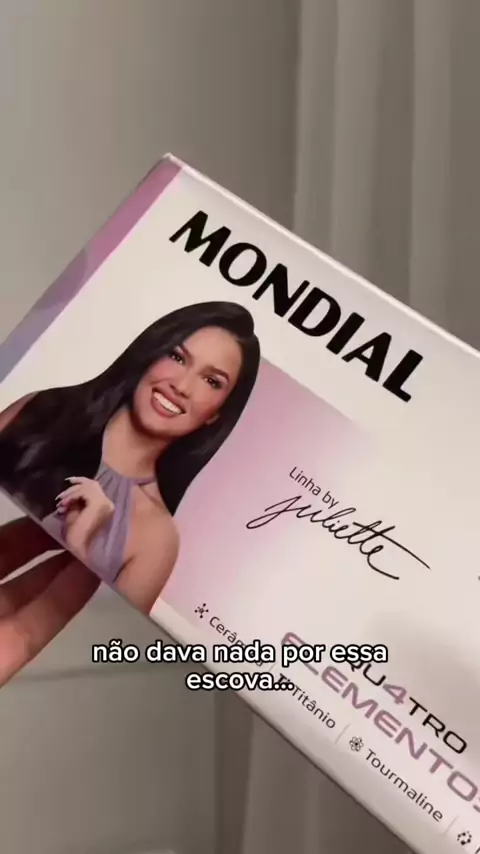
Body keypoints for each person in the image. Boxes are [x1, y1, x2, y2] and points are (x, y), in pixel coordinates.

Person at [0, 300, 260, 618]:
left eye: (211, 381)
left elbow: (86, 638)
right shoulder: (42, 408)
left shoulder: (157, 539)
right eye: (177, 357)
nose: (181, 386)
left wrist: (80, 550)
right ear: (151, 353)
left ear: (216, 414)